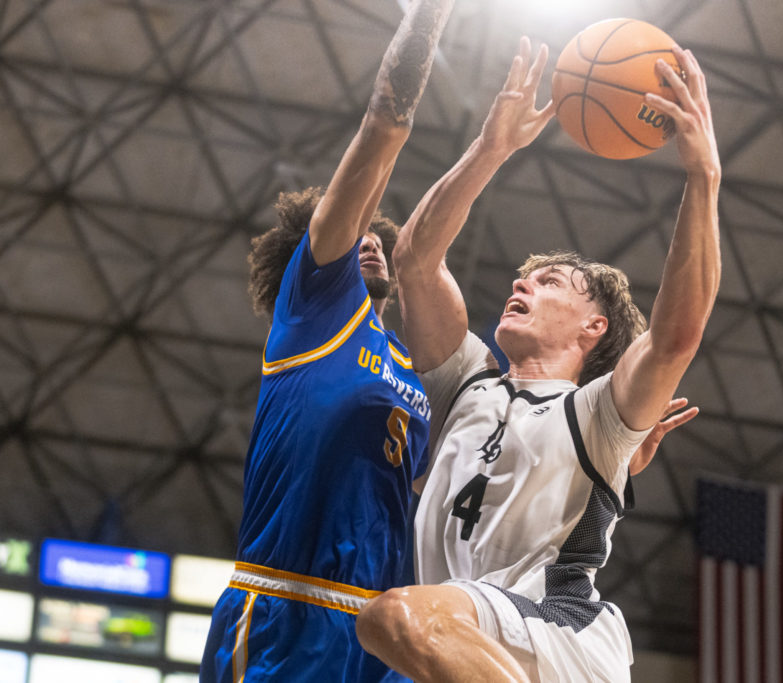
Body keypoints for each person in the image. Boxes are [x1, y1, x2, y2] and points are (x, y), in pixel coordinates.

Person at [356, 36, 721, 682]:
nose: (523, 284)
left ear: (594, 326)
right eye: (525, 279)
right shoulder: (466, 383)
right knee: (403, 627)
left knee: (394, 619)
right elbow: (415, 260)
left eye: (551, 280)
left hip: (553, 635)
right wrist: (491, 147)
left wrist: (703, 177)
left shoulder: (600, 415)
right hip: (471, 648)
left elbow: (676, 337)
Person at [200, 1, 453, 681]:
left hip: (377, 630)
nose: (371, 235)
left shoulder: (410, 368)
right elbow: (382, 125)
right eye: (359, 232)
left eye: (381, 235)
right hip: (287, 607)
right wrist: (429, 18)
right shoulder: (314, 306)